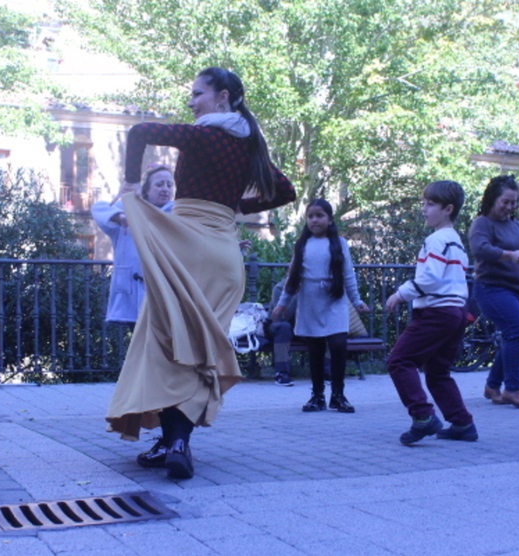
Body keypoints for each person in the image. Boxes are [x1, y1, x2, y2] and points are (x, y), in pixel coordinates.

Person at [106, 67, 296, 480]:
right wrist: (235, 208)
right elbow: (286, 191)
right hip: (226, 257)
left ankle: (172, 441)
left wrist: (129, 185)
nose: (191, 102)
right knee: (201, 349)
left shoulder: (204, 135)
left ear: (222, 97)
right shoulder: (251, 148)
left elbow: (139, 133)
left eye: (197, 94)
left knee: (168, 343)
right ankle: (175, 442)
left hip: (186, 247)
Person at [384, 181, 476, 444]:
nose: (424, 209)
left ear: (448, 209)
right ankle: (462, 423)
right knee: (438, 372)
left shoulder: (436, 240)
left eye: (430, 204)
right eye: (423, 203)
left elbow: (430, 278)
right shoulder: (457, 243)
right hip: (456, 312)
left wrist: (400, 294)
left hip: (436, 312)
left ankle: (423, 417)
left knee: (399, 361)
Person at [273, 199, 369, 414]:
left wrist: (357, 301)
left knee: (337, 346)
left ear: (330, 219)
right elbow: (292, 278)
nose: (314, 220)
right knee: (315, 351)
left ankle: (338, 395)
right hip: (310, 304)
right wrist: (282, 305)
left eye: (319, 215)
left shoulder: (340, 244)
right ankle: (317, 396)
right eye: (310, 216)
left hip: (335, 303)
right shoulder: (302, 245)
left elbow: (348, 276)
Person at [468, 175, 519, 408]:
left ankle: (492, 385)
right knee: (517, 331)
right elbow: (480, 248)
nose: (510, 207)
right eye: (506, 202)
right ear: (493, 199)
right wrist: (508, 255)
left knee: (516, 335)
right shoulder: (482, 223)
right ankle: (514, 389)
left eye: (514, 202)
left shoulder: (515, 225)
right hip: (492, 288)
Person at [91, 165, 175, 326]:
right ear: (146, 190)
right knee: (138, 346)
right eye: (159, 184)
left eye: (169, 185)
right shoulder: (126, 212)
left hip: (164, 295)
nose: (165, 189)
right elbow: (99, 208)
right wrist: (120, 217)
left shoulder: (177, 214)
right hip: (132, 295)